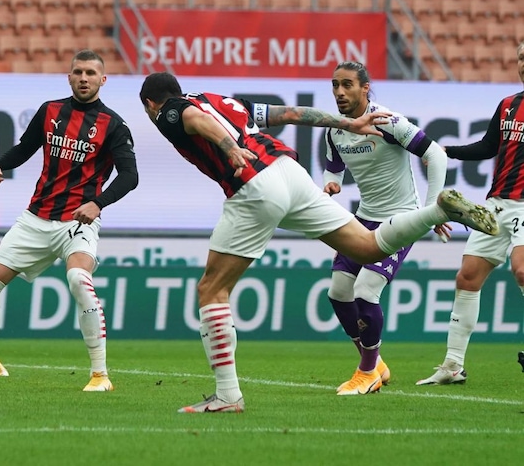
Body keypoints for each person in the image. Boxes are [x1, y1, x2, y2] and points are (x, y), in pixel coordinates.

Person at [138, 71, 498, 413]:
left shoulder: (169, 110)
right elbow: (291, 114)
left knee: (211, 290)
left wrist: (229, 147)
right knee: (368, 247)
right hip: (290, 173)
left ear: (151, 105)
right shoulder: (224, 100)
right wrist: (349, 123)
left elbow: (191, 119)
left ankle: (228, 395)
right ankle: (438, 212)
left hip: (253, 183)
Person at [0, 49, 139, 391]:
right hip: (36, 218)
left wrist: (98, 202)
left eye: (91, 73)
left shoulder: (114, 125)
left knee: (79, 279)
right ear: (69, 77)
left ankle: (100, 375)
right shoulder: (50, 111)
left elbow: (129, 176)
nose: (83, 78)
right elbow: (24, 148)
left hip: (77, 221)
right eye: (78, 72)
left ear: (102, 80)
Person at [322, 62, 451, 395]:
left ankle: (366, 373)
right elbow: (334, 166)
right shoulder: (335, 129)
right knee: (338, 292)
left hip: (400, 218)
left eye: (347, 85)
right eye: (335, 85)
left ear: (365, 88)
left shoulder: (387, 122)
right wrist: (332, 184)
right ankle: (375, 362)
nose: (339, 92)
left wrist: (434, 209)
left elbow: (435, 154)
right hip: (365, 217)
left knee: (365, 290)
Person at [416, 41, 524, 386]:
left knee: (523, 271)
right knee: (467, 277)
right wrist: (446, 150)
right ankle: (452, 366)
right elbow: (488, 147)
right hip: (495, 206)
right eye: (521, 57)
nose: (523, 63)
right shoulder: (508, 105)